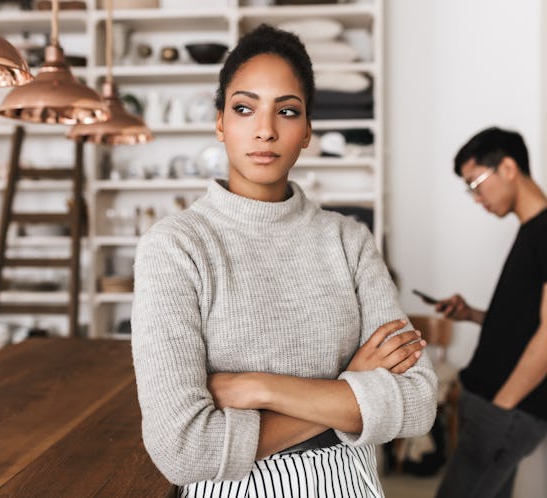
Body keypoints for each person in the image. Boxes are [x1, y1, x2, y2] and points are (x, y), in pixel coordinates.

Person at [131, 24, 437, 497]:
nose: (265, 129)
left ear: (308, 130)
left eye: (288, 111)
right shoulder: (176, 246)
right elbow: (183, 451)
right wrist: (349, 387)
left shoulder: (349, 241)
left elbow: (417, 401)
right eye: (244, 108)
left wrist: (259, 388)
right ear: (219, 122)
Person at [431, 127, 547, 498]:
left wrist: (499, 410)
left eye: (475, 183)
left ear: (507, 167)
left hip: (505, 407)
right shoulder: (532, 230)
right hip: (490, 402)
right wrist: (472, 314)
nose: (475, 198)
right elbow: (526, 322)